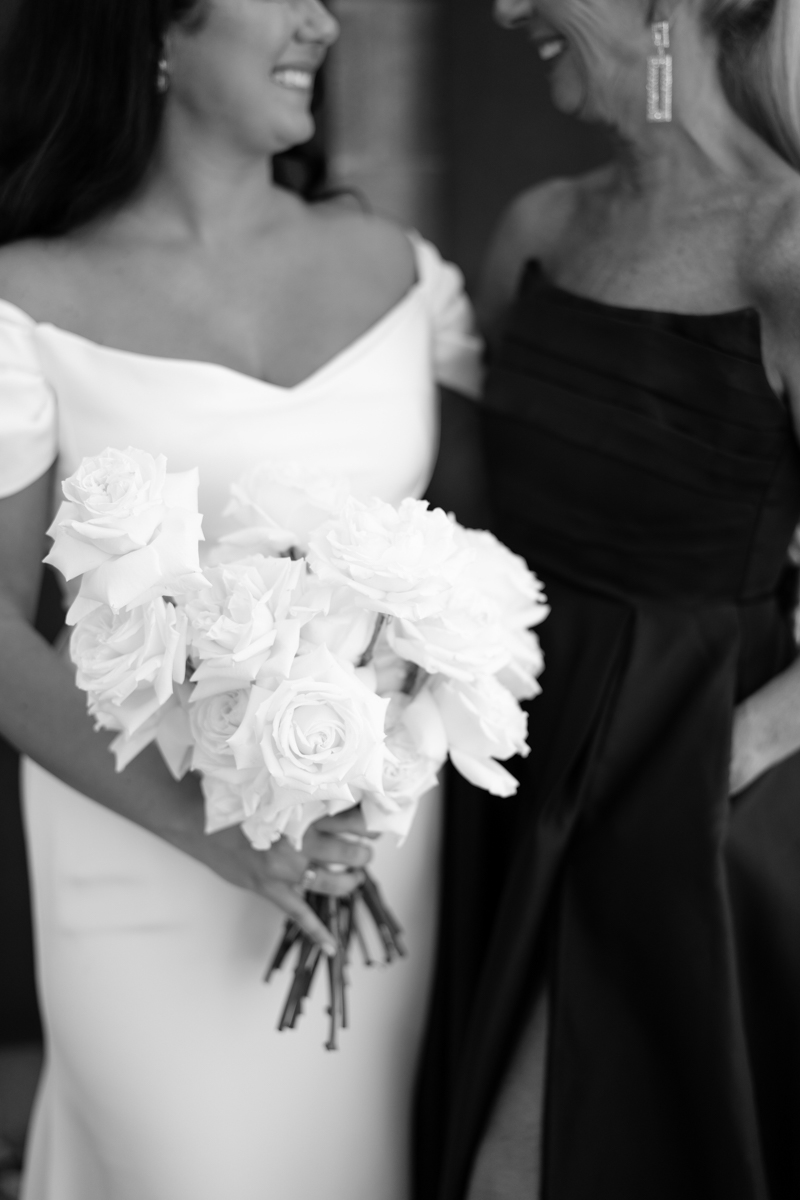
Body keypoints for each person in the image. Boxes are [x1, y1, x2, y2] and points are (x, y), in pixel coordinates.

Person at [0, 2, 482, 1198]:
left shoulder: (403, 274)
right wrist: (218, 832)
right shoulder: (23, 301)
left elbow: (474, 567)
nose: (323, 21)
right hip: (139, 858)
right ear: (152, 25)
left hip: (361, 854)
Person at [414, 0, 800, 1197]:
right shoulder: (537, 226)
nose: (505, 9)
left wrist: (719, 768)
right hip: (506, 780)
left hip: (682, 794)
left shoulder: (785, 245)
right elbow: (461, 519)